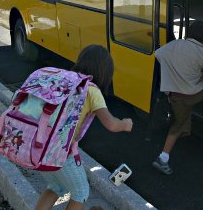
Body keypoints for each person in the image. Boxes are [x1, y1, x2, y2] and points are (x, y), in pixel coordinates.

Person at [34, 45, 133, 210]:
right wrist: (125, 124)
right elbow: (111, 124)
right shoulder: (91, 90)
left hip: (38, 145)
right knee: (80, 192)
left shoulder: (66, 79)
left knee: (56, 187)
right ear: (105, 71)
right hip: (60, 152)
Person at [152, 20, 203, 176]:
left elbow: (158, 54)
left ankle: (178, 139)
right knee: (177, 126)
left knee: (180, 123)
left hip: (173, 95)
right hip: (191, 95)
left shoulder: (173, 45)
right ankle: (162, 158)